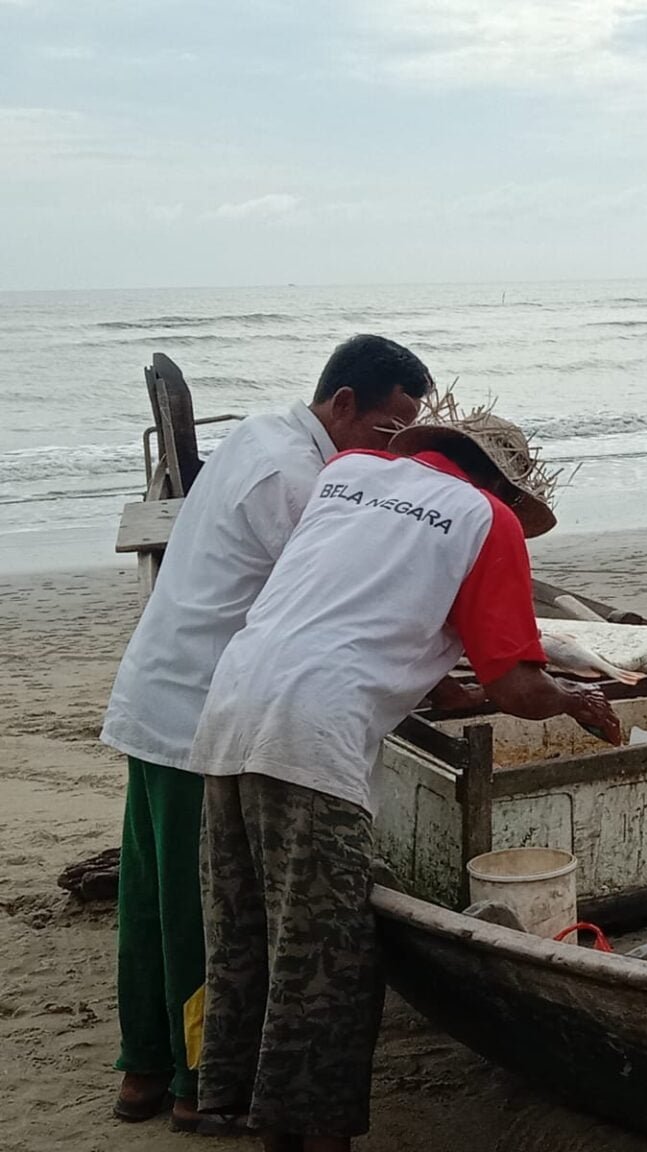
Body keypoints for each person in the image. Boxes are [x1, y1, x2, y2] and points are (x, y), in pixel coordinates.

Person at [190, 409, 621, 1152]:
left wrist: (440, 686)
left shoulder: (348, 475)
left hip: (231, 703)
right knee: (327, 949)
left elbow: (357, 606)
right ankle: (313, 1134)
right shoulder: (489, 521)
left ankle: (224, 1097)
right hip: (314, 728)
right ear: (504, 486)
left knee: (244, 927)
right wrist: (574, 699)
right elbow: (520, 687)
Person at [98, 335, 432, 1133]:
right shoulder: (296, 478)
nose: (392, 449)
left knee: (149, 903)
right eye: (389, 430)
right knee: (199, 914)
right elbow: (324, 599)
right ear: (342, 403)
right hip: (200, 717)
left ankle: (141, 1073)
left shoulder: (260, 432)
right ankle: (192, 1083)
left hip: (159, 690)